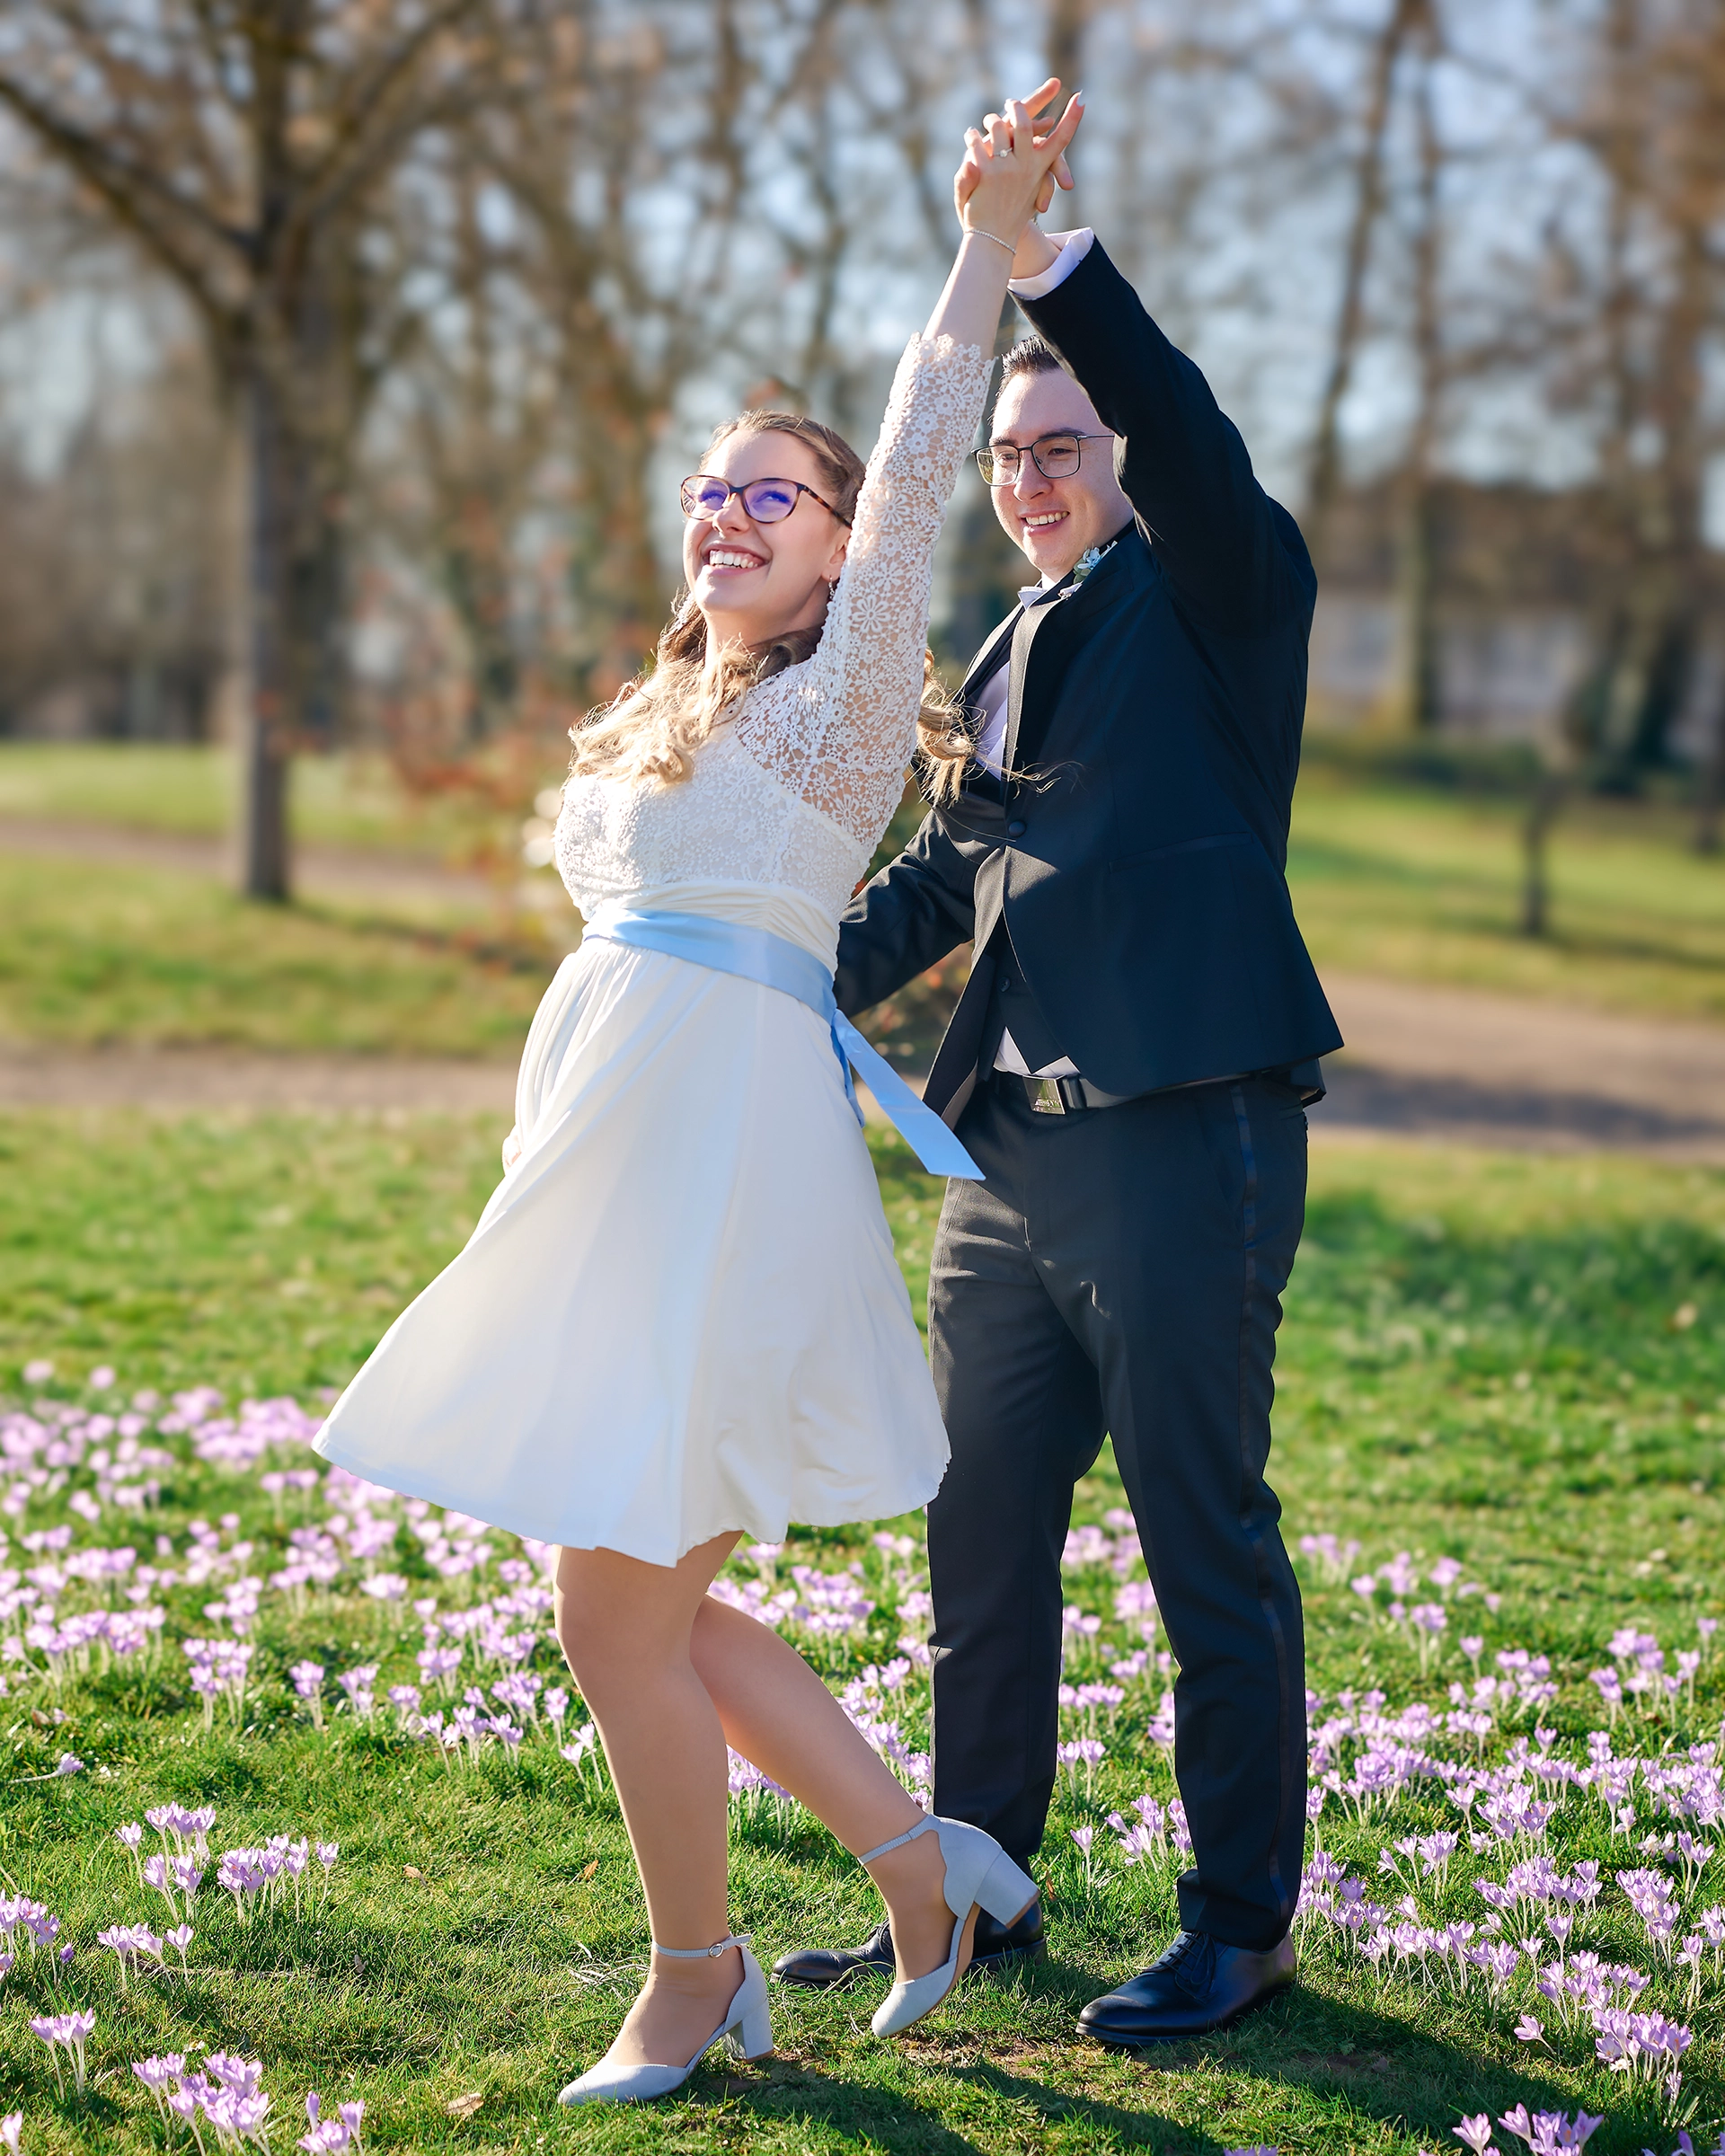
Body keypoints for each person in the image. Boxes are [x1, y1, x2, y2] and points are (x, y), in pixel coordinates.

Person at [312, 89, 1084, 2106]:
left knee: (607, 1608)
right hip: (605, 1188)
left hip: (722, 1193)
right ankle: (930, 1874)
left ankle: (702, 1971)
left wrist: (986, 253)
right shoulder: (679, 712)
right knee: (655, 1608)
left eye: (774, 499)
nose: (727, 516)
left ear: (845, 558)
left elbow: (923, 450)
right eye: (708, 494)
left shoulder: (834, 717)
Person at [774, 92, 1343, 2045]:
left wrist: (1044, 270)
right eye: (1010, 457)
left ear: (1124, 459)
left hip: (1191, 1140)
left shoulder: (1218, 597)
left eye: (1059, 448)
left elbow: (1178, 438)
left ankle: (1241, 1921)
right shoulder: (1009, 643)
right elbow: (949, 868)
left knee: (1206, 1536)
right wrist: (774, 962)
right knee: (979, 1533)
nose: (1029, 479)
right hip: (1003, 1164)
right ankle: (976, 1888)